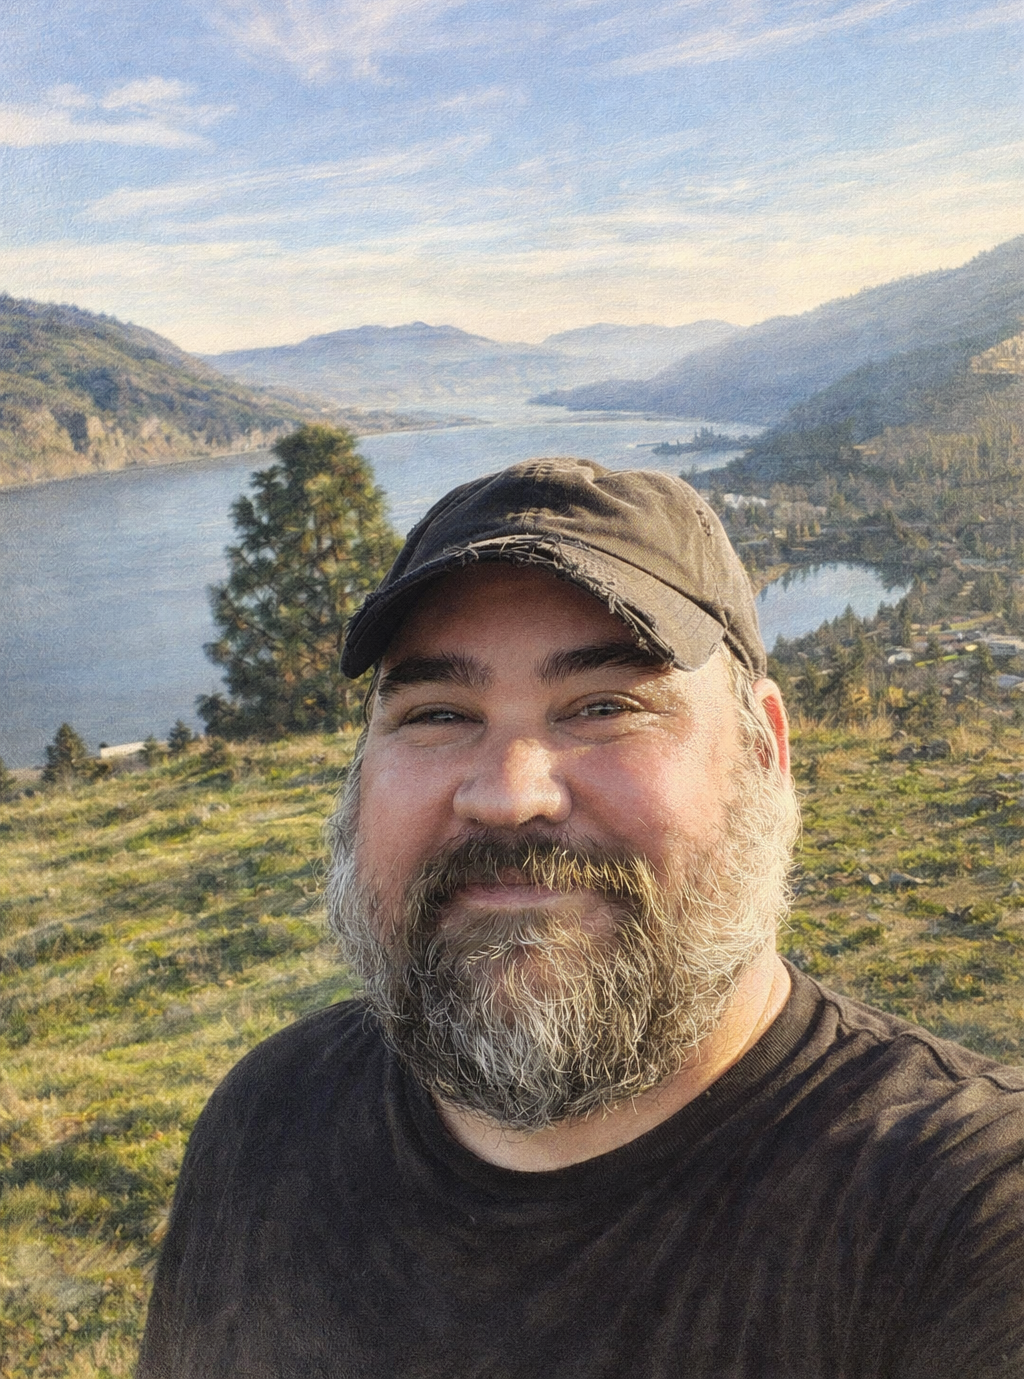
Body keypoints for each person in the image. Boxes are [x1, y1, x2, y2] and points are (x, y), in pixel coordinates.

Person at [138, 459, 1024, 1379]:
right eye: (439, 713)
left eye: (604, 707)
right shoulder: (270, 1118)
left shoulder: (965, 1214)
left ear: (763, 753)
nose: (509, 794)